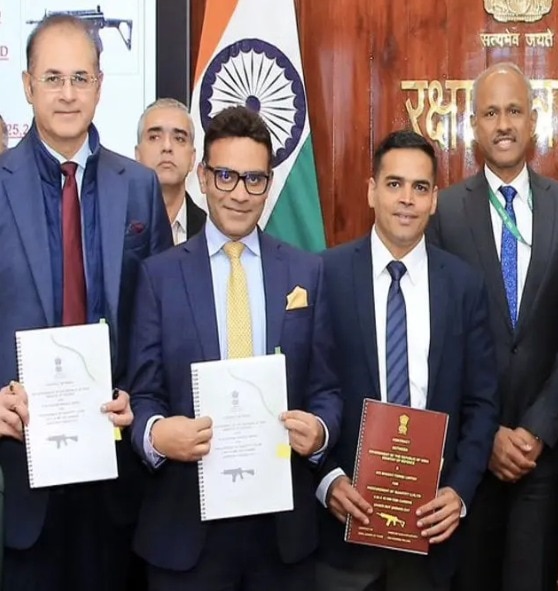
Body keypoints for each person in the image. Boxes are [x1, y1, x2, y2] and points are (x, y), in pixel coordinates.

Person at [126, 105, 342, 590]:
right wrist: (157, 435)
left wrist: (321, 432)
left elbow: (327, 388)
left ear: (269, 183)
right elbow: (143, 394)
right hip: (186, 531)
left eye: (254, 179)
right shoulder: (159, 276)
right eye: (226, 176)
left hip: (282, 538)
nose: (240, 194)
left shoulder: (307, 272)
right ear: (202, 177)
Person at [0, 13, 172, 591]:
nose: (68, 94)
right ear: (27, 85)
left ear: (100, 85)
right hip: (21, 468)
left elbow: (159, 319)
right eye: (53, 78)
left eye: (80, 78)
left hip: (116, 469)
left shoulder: (139, 186)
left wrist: (141, 398)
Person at [426, 62, 558, 591]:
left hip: (544, 452)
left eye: (514, 111)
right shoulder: (445, 212)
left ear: (533, 121)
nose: (503, 124)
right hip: (468, 454)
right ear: (473, 125)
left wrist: (537, 429)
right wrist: (486, 432)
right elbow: (439, 338)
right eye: (491, 113)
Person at [315, 129, 500, 591]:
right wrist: (327, 479)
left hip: (431, 534)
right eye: (394, 184)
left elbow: (482, 403)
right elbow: (306, 391)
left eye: (420, 187)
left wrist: (459, 492)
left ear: (434, 200)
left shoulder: (463, 286)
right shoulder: (323, 276)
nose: (406, 199)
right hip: (342, 537)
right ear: (371, 191)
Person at [135, 98, 206, 244]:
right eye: (154, 137)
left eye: (179, 139)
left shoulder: (209, 231)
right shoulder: (114, 223)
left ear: (192, 158)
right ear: (138, 155)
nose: (167, 147)